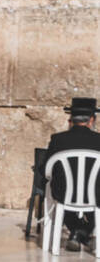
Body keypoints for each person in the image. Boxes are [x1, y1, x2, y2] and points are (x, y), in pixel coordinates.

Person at [44, 97, 100, 252]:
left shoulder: (57, 139)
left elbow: (46, 170)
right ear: (91, 120)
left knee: (58, 192)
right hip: (96, 195)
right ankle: (82, 232)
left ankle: (76, 231)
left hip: (64, 194)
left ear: (71, 119)